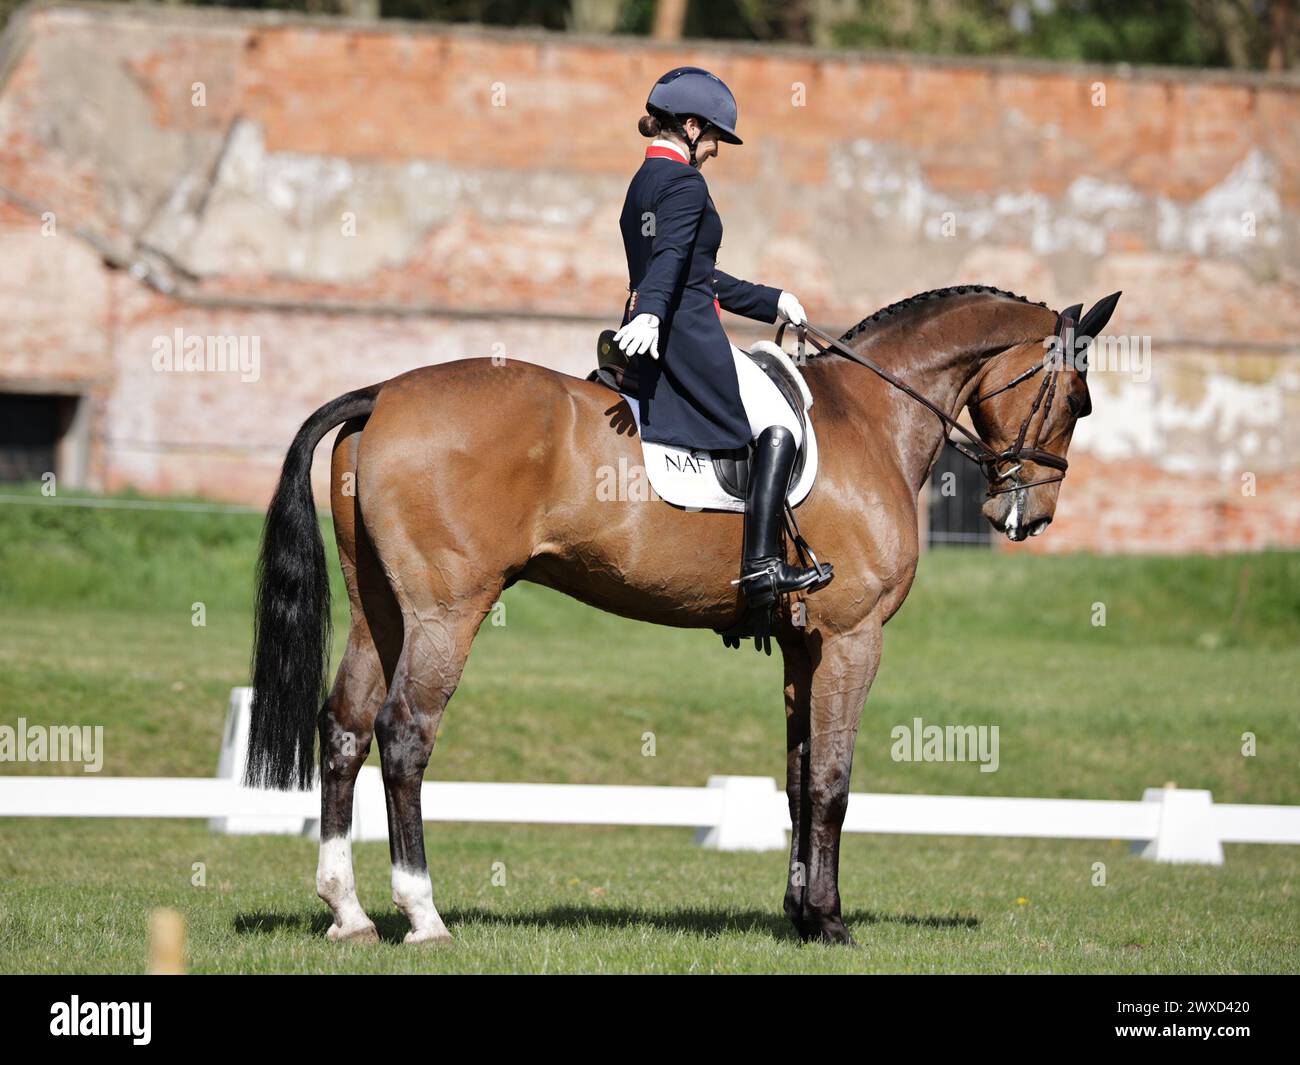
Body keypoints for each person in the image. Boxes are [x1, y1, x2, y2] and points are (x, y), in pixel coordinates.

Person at [613, 67, 832, 611]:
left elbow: (694, 269)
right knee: (780, 425)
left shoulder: (645, 180)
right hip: (686, 335)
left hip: (663, 321)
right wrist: (655, 313)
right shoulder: (686, 183)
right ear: (690, 126)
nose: (714, 150)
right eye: (713, 138)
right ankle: (762, 567)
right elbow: (668, 263)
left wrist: (769, 300)